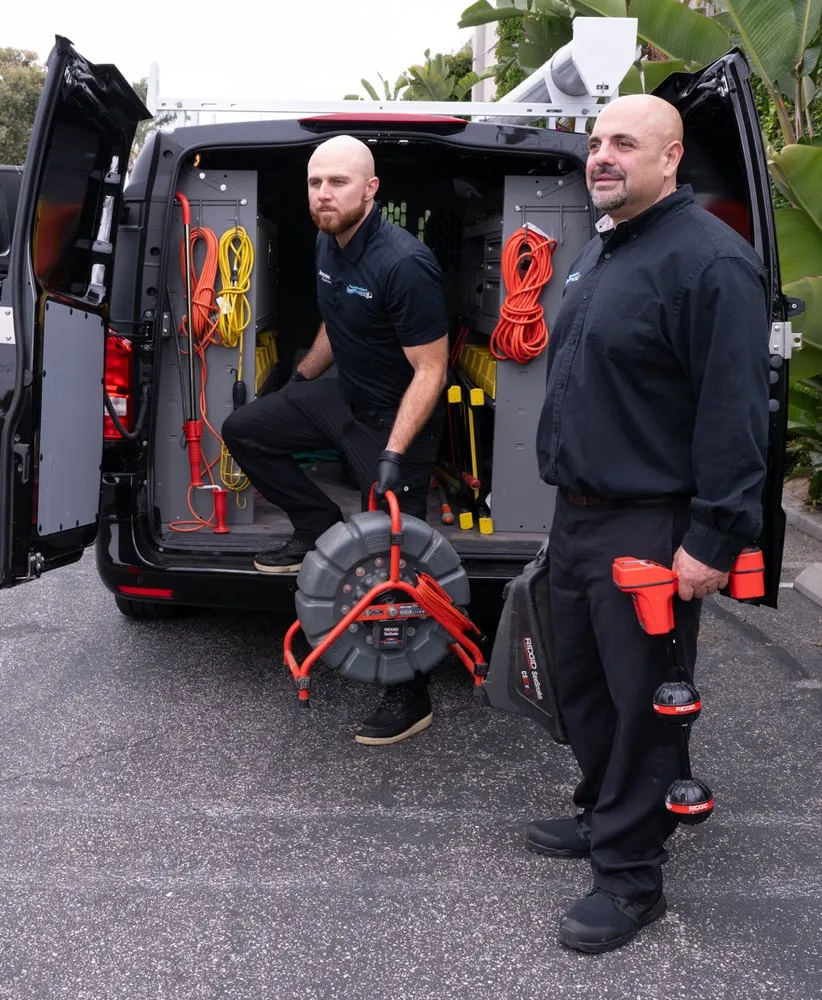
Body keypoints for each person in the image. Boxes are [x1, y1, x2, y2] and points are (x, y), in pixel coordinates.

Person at [530, 94, 770, 954]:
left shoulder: (711, 263)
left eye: (624, 143)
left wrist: (713, 537)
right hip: (581, 517)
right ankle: (603, 816)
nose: (603, 156)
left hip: (649, 523)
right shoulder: (606, 248)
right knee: (585, 689)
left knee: (645, 704)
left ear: (670, 160)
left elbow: (736, 411)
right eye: (596, 143)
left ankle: (632, 878)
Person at [222, 135, 448, 746]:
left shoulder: (403, 263)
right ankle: (314, 523)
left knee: (393, 559)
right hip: (341, 395)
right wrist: (298, 383)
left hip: (396, 417)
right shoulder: (329, 239)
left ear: (370, 190)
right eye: (316, 182)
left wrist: (395, 453)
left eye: (338, 183)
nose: (324, 194)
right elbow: (335, 322)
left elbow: (431, 370)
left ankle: (409, 692)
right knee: (248, 428)